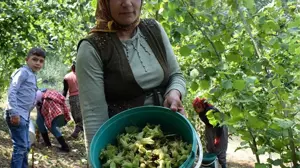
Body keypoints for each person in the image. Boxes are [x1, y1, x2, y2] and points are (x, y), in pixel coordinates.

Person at [76, 0, 186, 155]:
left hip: (170, 138)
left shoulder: (154, 30)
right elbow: (94, 118)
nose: (127, 3)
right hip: (125, 149)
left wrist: (174, 93)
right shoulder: (92, 49)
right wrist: (98, 159)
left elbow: (176, 75)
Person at [5, 47, 45, 168]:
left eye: (41, 61)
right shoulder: (22, 72)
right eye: (35, 59)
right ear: (27, 60)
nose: (38, 63)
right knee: (20, 146)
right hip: (17, 114)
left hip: (25, 115)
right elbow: (12, 91)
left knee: (26, 145)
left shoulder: (32, 75)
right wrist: (13, 112)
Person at [192, 97, 228, 168]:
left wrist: (217, 138)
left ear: (203, 105)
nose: (197, 109)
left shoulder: (211, 111)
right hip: (209, 128)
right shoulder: (201, 113)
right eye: (196, 108)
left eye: (199, 107)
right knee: (210, 147)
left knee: (220, 148)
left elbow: (219, 124)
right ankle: (213, 164)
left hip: (219, 128)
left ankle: (223, 165)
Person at [63, 61, 83, 139]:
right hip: (83, 97)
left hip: (73, 98)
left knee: (77, 117)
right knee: (83, 117)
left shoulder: (67, 77)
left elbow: (65, 91)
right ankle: (78, 132)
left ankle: (77, 132)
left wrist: (61, 101)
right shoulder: (82, 75)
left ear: (72, 68)